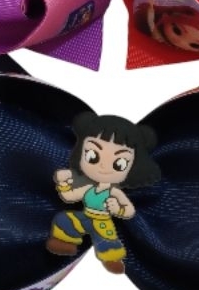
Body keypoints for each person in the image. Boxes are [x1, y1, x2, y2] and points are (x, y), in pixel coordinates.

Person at [46, 113, 161, 274]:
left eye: (119, 163)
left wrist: (118, 209)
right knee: (64, 219)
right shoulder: (88, 188)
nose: (103, 167)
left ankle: (111, 258)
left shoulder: (114, 192)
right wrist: (64, 185)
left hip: (103, 222)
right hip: (85, 216)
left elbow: (129, 211)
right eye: (92, 156)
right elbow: (69, 197)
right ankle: (65, 242)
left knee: (107, 240)